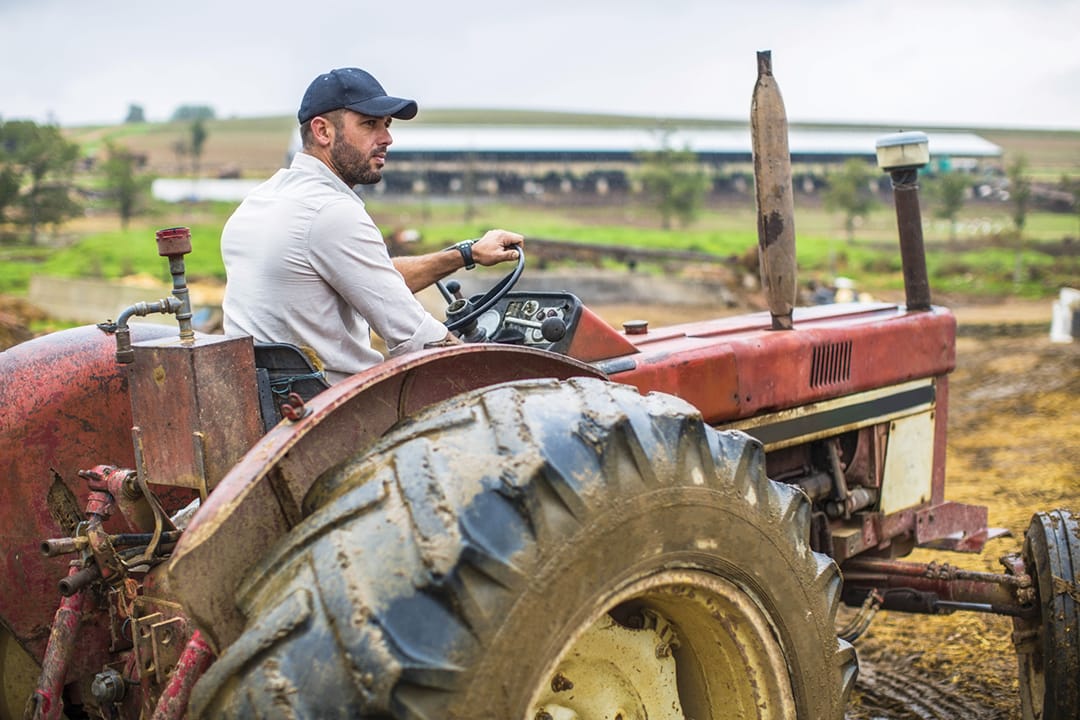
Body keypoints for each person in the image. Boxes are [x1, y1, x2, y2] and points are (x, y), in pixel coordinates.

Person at [221, 67, 524, 384]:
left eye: (387, 125)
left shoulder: (260, 201)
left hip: (270, 400)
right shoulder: (332, 213)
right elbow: (417, 338)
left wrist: (466, 254)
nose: (387, 138)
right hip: (335, 408)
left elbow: (373, 279)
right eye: (370, 124)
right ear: (323, 131)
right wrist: (496, 376)